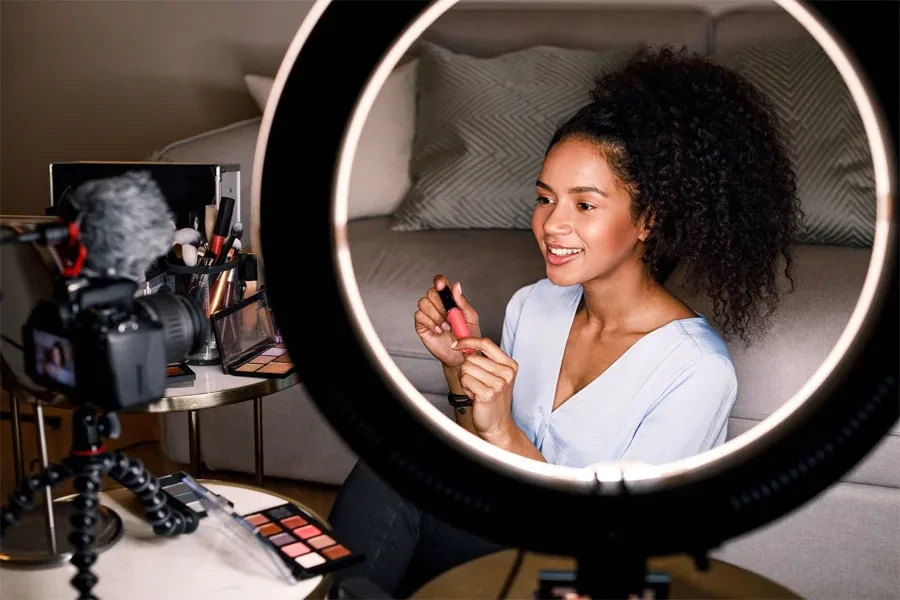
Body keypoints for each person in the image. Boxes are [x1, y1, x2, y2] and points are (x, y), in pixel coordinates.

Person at [328, 45, 803, 597]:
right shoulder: (534, 306)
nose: (552, 224)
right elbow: (479, 456)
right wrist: (462, 376)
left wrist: (504, 430)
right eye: (544, 198)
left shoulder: (695, 372)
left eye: (584, 205)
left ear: (649, 218)